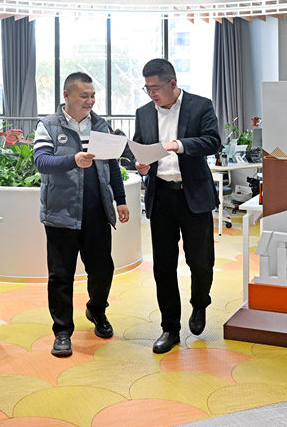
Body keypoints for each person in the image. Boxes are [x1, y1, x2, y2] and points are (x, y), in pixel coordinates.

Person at [33, 72, 129, 358]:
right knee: (60, 275)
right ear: (67, 96)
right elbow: (41, 161)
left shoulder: (101, 125)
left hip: (97, 212)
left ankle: (97, 310)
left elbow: (112, 166)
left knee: (102, 270)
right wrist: (72, 160)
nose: (90, 101)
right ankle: (62, 331)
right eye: (84, 95)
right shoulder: (48, 125)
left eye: (92, 95)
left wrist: (121, 201)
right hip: (61, 213)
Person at [133, 58, 221, 354]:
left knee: (200, 261)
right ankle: (169, 328)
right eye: (147, 89)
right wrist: (140, 165)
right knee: (163, 266)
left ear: (172, 83)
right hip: (161, 196)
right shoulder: (144, 113)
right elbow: (139, 148)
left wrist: (179, 145)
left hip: (193, 194)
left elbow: (213, 142)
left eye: (156, 88)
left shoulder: (200, 105)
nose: (152, 94)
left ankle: (200, 303)